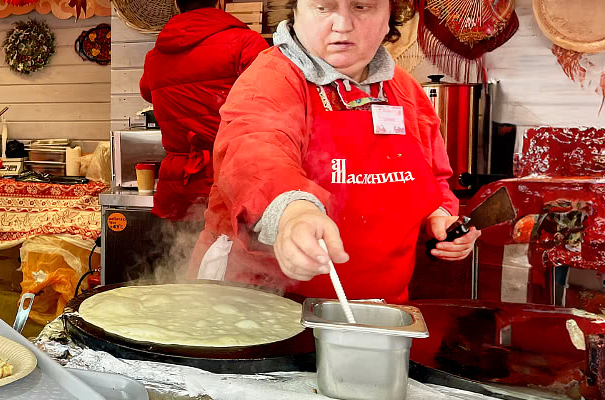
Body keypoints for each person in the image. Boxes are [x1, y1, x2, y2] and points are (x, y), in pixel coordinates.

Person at [190, 0, 481, 304]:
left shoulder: (404, 91)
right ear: (297, 11)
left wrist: (440, 217)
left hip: (377, 310)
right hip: (261, 301)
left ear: (389, 17)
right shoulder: (271, 79)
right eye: (323, 7)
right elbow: (255, 153)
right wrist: (294, 213)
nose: (342, 25)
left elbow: (432, 177)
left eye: (361, 7)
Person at [139, 0, 269, 221]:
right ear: (219, 2)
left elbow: (147, 93)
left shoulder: (155, 56)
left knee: (179, 254)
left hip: (178, 185)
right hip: (231, 180)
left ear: (177, 5)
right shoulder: (245, 43)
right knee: (228, 254)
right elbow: (273, 102)